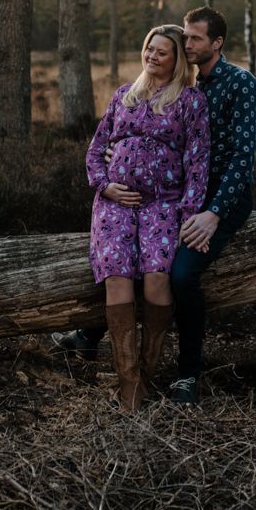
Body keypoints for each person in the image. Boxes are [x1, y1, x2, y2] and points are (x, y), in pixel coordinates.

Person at [54, 6, 256, 406]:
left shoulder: (230, 87)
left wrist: (205, 213)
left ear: (215, 44)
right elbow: (99, 147)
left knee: (174, 275)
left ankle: (184, 372)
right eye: (183, 37)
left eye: (192, 39)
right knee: (120, 269)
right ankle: (115, 364)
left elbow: (233, 159)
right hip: (136, 202)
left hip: (201, 202)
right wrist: (112, 173)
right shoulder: (135, 94)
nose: (186, 43)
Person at [85, 23, 210, 412]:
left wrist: (190, 215)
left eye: (162, 52)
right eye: (149, 49)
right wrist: (104, 185)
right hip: (115, 205)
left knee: (158, 279)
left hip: (163, 204)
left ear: (176, 61)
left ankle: (148, 372)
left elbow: (198, 163)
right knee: (118, 279)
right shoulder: (124, 96)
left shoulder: (190, 102)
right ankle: (130, 387)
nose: (152, 57)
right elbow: (95, 150)